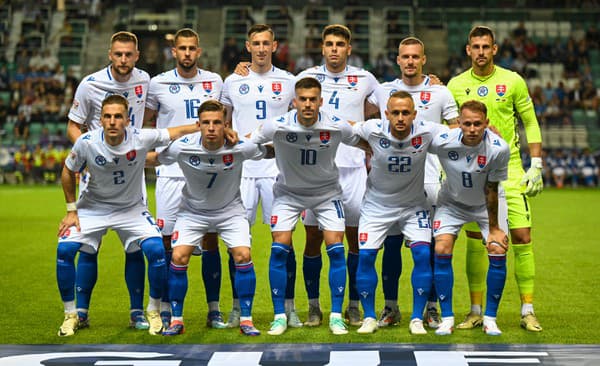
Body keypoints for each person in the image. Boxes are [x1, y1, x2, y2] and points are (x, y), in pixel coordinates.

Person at [56, 94, 202, 337]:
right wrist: (71, 211)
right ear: (100, 120)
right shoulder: (86, 141)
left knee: (156, 250)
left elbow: (172, 132)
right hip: (93, 208)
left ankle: (153, 311)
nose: (112, 121)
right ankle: (71, 314)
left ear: (127, 120)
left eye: (118, 117)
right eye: (107, 116)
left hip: (131, 209)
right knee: (64, 251)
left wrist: (198, 126)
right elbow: (68, 170)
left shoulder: (140, 137)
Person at [447, 25, 544, 332]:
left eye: (486, 47)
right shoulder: (455, 85)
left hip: (511, 171)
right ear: (468, 50)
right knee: (476, 242)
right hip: (473, 174)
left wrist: (537, 164)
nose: (480, 52)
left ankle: (527, 310)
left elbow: (530, 122)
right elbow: (449, 130)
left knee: (522, 238)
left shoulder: (512, 81)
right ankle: (476, 311)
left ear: (494, 49)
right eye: (475, 47)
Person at [250, 77, 363, 336]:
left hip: (327, 194)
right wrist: (267, 152)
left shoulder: (336, 124)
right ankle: (280, 316)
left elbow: (362, 142)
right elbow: (251, 141)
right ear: (294, 102)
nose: (308, 104)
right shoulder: (277, 125)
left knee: (336, 248)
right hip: (288, 194)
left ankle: (335, 315)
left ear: (321, 101)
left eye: (313, 99)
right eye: (303, 99)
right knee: (279, 248)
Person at [147, 100, 266, 336]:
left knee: (243, 254)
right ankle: (177, 320)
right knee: (179, 256)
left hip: (230, 211)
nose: (211, 128)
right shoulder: (182, 146)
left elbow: (268, 152)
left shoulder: (241, 146)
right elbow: (154, 159)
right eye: (206, 123)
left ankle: (246, 319)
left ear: (226, 125)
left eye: (217, 123)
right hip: (192, 212)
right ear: (198, 125)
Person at [368, 36, 459, 329]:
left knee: (430, 249)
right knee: (391, 247)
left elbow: (456, 135)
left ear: (423, 60)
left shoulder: (440, 92)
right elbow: (366, 124)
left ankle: (431, 308)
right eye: (404, 56)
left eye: (415, 57)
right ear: (397, 60)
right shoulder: (382, 91)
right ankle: (390, 307)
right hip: (392, 184)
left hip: (431, 181)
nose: (409, 61)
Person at [65, 31, 152, 331]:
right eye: (118, 54)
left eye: (129, 54)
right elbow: (74, 125)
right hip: (96, 174)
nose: (123, 60)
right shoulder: (90, 84)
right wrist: (87, 155)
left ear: (136, 56)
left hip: (131, 176)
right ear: (109, 54)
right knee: (88, 246)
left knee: (136, 246)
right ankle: (82, 312)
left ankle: (137, 312)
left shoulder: (145, 80)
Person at [296, 24, 380, 327]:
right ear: (322, 48)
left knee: (354, 240)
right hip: (316, 171)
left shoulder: (365, 79)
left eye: (339, 44)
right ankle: (314, 305)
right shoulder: (306, 79)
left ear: (348, 48)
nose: (334, 49)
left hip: (354, 169)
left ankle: (354, 304)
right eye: (329, 43)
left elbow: (398, 98)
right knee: (314, 239)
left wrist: (428, 81)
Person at [143, 28, 226, 330]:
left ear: (199, 51)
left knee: (210, 240)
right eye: (182, 48)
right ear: (174, 52)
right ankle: (166, 308)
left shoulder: (215, 81)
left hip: (206, 172)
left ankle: (213, 309)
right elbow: (147, 123)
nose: (187, 53)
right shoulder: (158, 83)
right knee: (168, 243)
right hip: (170, 173)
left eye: (192, 48)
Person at [220, 24, 300, 328]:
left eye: (267, 43)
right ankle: (238, 308)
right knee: (237, 241)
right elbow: (224, 121)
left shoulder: (289, 81)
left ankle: (289, 308)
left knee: (284, 241)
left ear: (275, 46)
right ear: (247, 46)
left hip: (278, 170)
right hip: (241, 171)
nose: (262, 48)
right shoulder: (232, 81)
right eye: (256, 43)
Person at [353, 91, 444, 335]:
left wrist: (488, 134)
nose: (401, 118)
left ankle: (416, 317)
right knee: (366, 258)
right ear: (387, 114)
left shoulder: (427, 131)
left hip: (414, 206)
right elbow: (343, 129)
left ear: (415, 114)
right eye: (396, 113)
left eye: (406, 113)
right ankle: (370, 317)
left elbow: (459, 135)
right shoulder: (372, 129)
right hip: (376, 207)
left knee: (423, 255)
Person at [430, 100, 510, 335]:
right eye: (467, 124)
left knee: (497, 248)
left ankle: (490, 318)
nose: (473, 129)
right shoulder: (443, 140)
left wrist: (494, 228)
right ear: (459, 124)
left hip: (487, 205)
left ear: (486, 123)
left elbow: (492, 188)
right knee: (442, 248)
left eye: (478, 124)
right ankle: (446, 318)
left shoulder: (498, 148)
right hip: (452, 202)